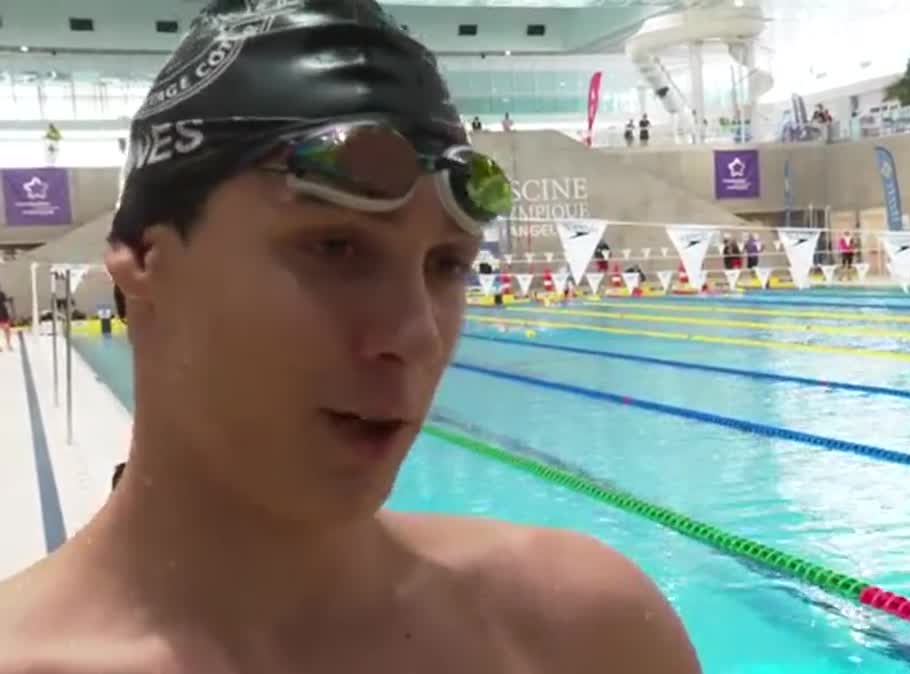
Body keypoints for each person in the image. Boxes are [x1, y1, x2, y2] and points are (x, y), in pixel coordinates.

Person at [0, 2, 701, 673]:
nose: (414, 334)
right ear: (145, 259)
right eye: (335, 248)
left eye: (446, 265)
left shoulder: (586, 637)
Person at [0, 284, 12, 351]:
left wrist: (9, 313)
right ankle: (8, 345)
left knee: (7, 329)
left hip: (3, 313)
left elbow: (6, 304)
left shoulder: (2, 294)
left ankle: (8, 344)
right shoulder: (2, 294)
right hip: (3, 313)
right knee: (6, 330)